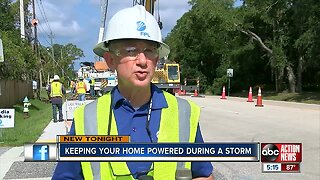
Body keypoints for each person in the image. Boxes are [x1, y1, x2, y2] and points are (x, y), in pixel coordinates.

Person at [53, 5, 213, 180]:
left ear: (157, 59)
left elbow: (204, 175)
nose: (142, 61)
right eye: (131, 51)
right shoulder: (88, 118)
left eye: (149, 50)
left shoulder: (183, 113)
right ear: (111, 60)